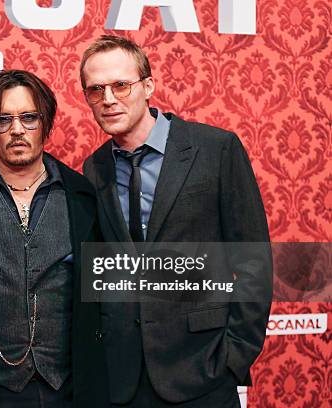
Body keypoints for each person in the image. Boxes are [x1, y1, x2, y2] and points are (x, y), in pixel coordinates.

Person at [80, 35, 272, 407]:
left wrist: (234, 357)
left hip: (202, 371)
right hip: (122, 380)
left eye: (121, 85)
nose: (108, 99)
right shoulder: (94, 168)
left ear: (148, 85)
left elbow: (253, 262)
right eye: (95, 90)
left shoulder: (216, 149)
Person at [0, 69, 108, 407]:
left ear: (46, 123)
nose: (17, 130)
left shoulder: (83, 198)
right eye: (3, 119)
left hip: (67, 389)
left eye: (29, 118)